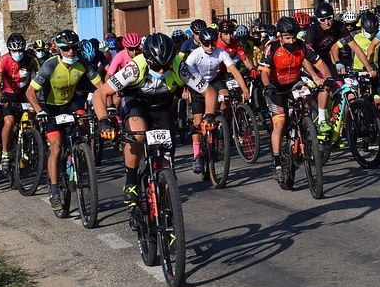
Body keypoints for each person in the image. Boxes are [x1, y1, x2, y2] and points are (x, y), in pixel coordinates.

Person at [93, 33, 183, 207]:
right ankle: (131, 181)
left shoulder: (180, 65)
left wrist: (207, 116)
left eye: (166, 66)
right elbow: (100, 94)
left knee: (167, 160)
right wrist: (104, 121)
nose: (161, 71)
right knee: (138, 135)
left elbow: (208, 91)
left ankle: (166, 200)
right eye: (156, 66)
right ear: (148, 61)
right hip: (135, 101)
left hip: (161, 106)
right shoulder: (134, 67)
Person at [26, 30, 102, 212]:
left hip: (70, 102)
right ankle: (54, 191)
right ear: (59, 49)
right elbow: (30, 92)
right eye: (66, 48)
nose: (71, 51)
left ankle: (79, 151)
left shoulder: (83, 63)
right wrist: (39, 111)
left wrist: (109, 107)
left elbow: (102, 87)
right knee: (56, 146)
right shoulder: (50, 65)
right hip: (50, 106)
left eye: (74, 47)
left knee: (83, 121)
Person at [259, 17, 331, 184]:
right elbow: (264, 72)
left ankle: (305, 125)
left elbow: (320, 63)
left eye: (293, 37)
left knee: (307, 93)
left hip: (294, 83)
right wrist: (267, 85)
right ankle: (277, 163)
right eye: (287, 38)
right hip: (276, 87)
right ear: (280, 36)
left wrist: (328, 78)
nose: (291, 41)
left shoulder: (302, 46)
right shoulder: (271, 48)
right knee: (279, 123)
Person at [183, 27, 250, 173]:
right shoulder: (195, 54)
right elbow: (184, 72)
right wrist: (185, 90)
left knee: (225, 96)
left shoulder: (221, 52)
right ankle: (197, 156)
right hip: (197, 84)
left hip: (213, 81)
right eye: (206, 44)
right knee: (197, 120)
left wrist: (244, 88)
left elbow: (234, 70)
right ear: (201, 43)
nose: (210, 47)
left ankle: (220, 125)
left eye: (212, 43)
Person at [304, 2, 376, 136]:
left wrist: (368, 67)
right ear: (318, 20)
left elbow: (355, 48)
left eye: (329, 18)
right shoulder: (312, 31)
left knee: (344, 90)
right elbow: (305, 57)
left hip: (329, 61)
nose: (327, 22)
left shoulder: (339, 26)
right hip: (313, 62)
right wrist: (314, 75)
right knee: (326, 85)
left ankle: (338, 125)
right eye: (322, 20)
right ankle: (321, 119)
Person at [0, 33, 39, 171]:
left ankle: (32, 142)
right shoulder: (2, 60)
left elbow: (39, 78)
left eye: (20, 50)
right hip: (8, 94)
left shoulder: (32, 59)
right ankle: (5, 153)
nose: (18, 53)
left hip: (26, 93)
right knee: (9, 121)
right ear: (9, 50)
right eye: (14, 51)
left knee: (33, 117)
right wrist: (0, 96)